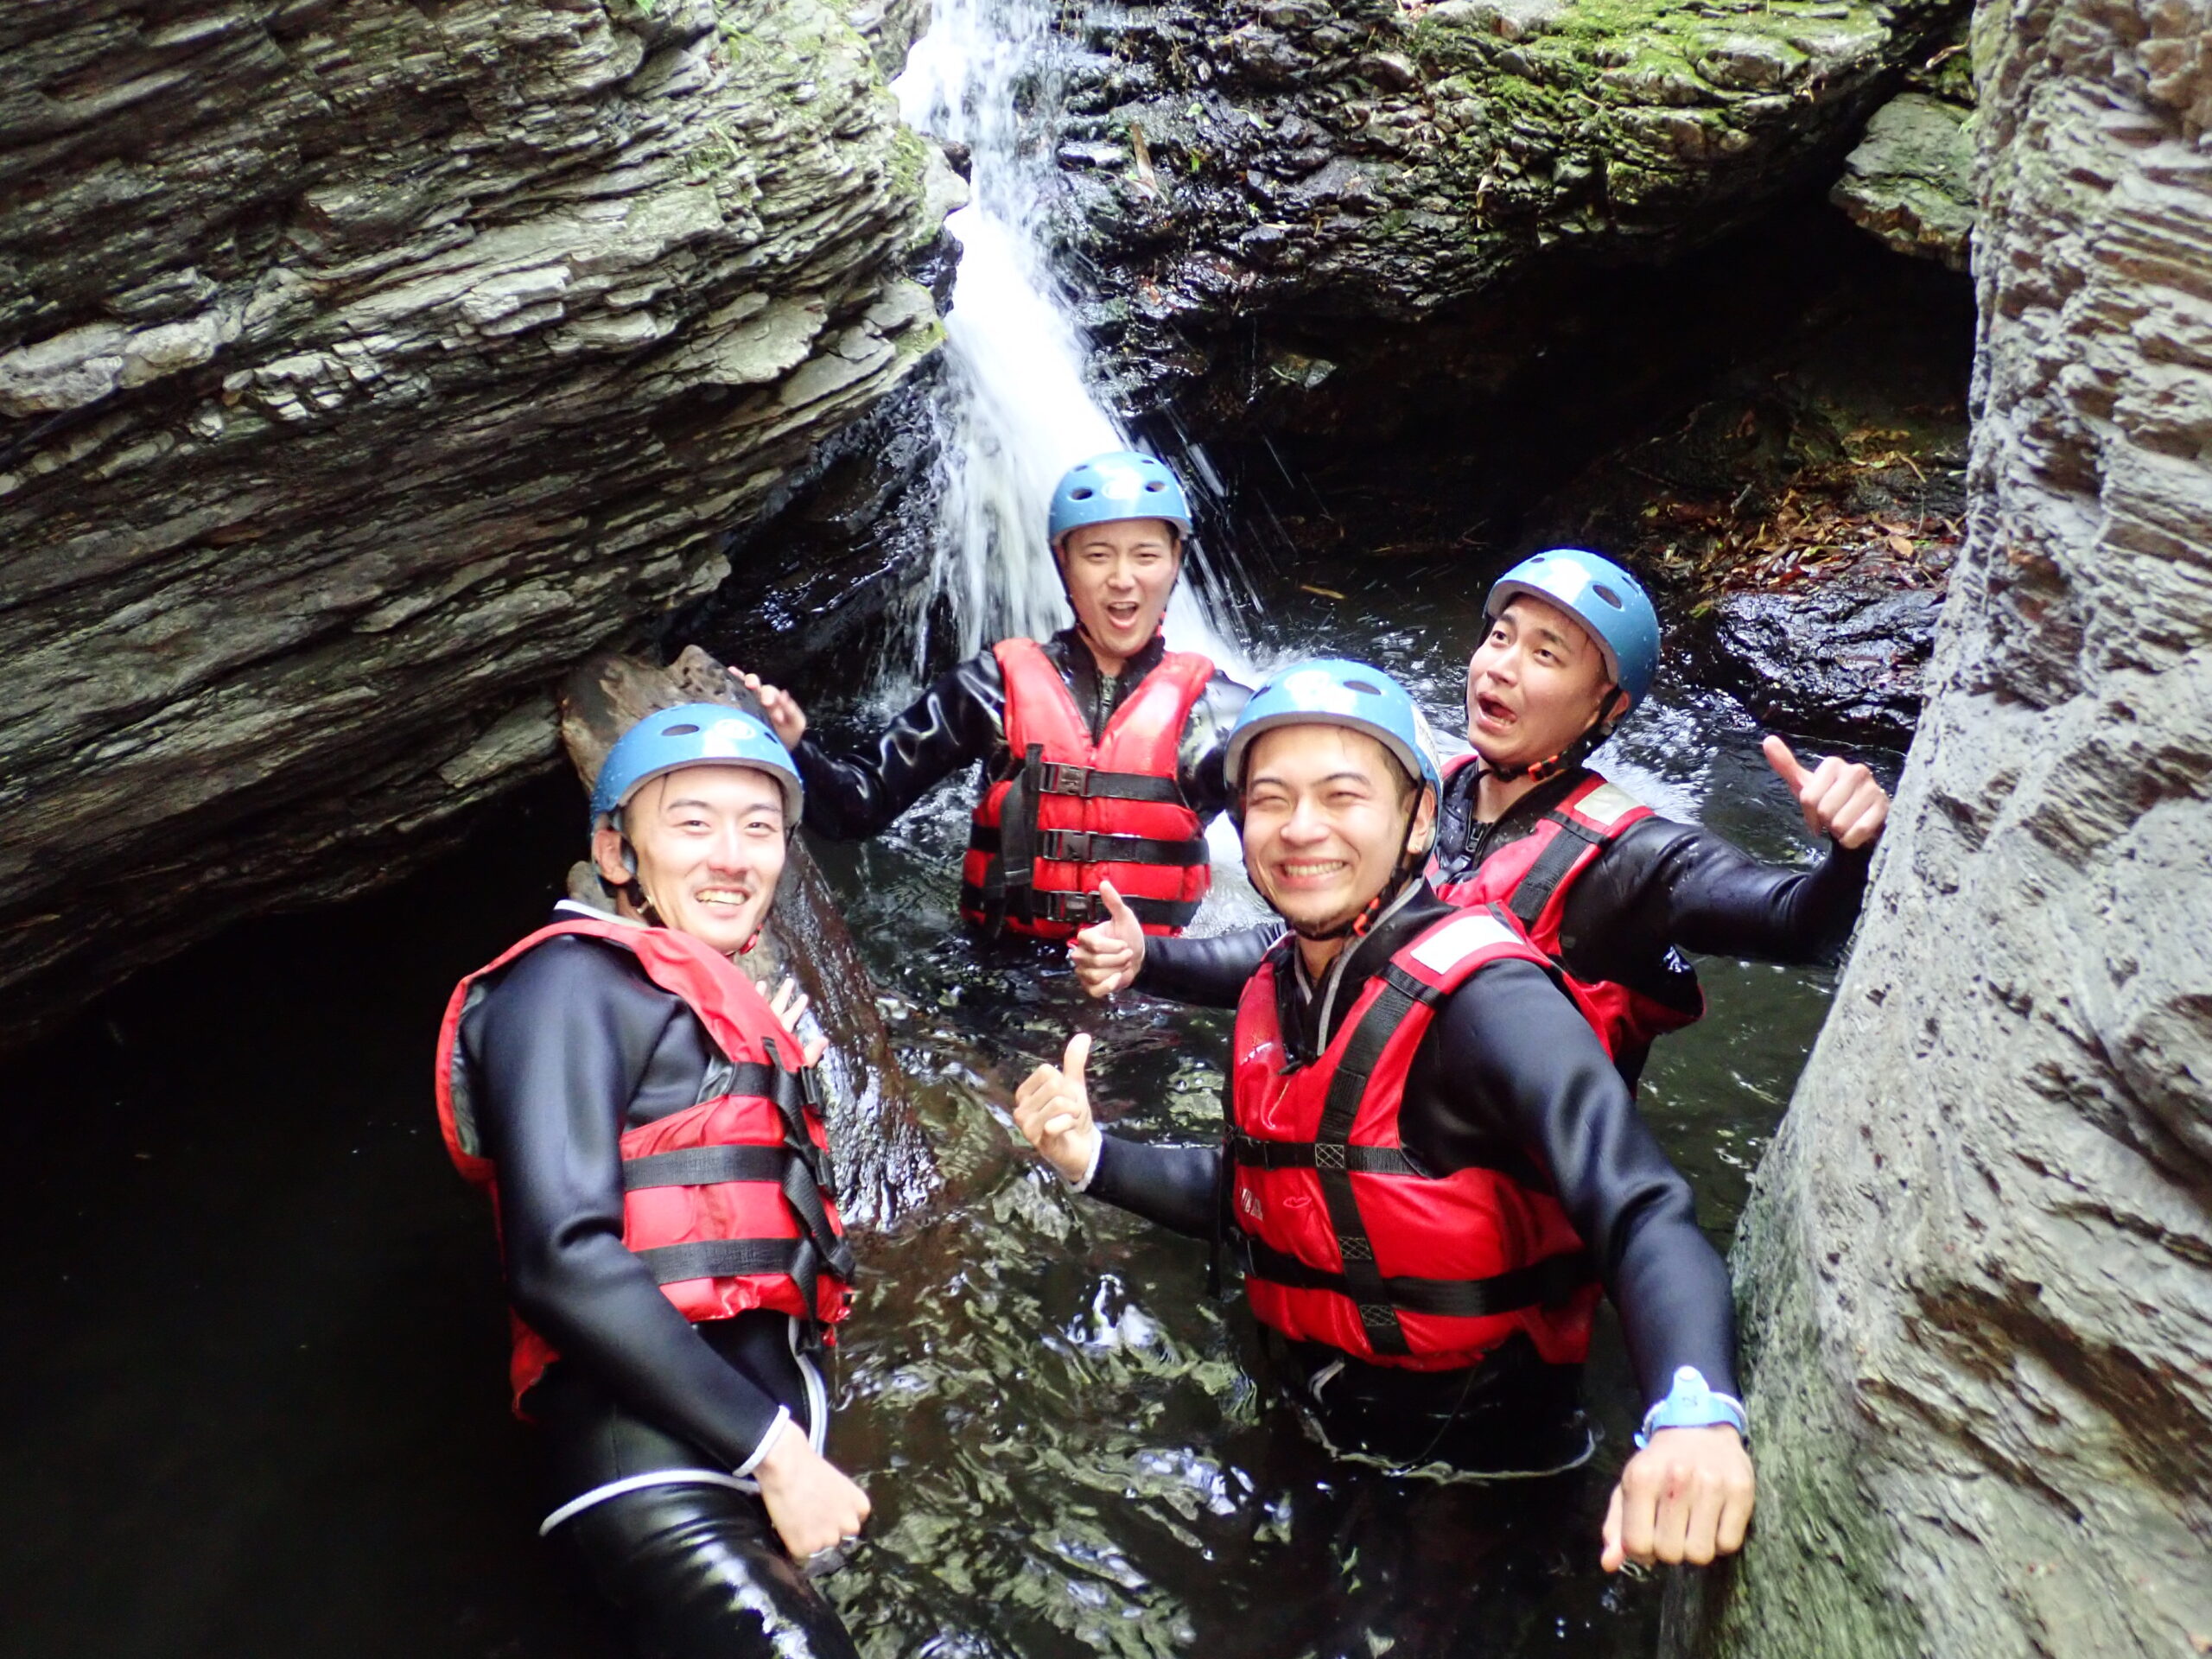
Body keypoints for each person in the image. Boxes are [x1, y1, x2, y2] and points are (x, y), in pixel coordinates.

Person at [1013, 661, 1758, 1571]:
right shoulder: (1278, 987)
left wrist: (1692, 1413)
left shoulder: (1490, 1006)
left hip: (1477, 1475)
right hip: (1308, 1420)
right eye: (1270, 799)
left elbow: (1640, 1207)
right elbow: (1268, 1199)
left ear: (1417, 821)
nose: (1301, 828)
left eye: (1342, 796)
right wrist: (1092, 1157)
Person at [1071, 547, 1891, 1087]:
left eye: (1545, 654)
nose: (1500, 668)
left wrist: (1850, 851)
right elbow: (1300, 951)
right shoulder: (1423, 796)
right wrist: (1150, 957)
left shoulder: (1636, 861)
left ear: (1606, 707)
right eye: (1501, 637)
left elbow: (1799, 926)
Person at [435, 703, 870, 1658]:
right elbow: (559, 1259)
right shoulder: (566, 984)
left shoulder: (700, 1002)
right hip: (658, 1478)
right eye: (693, 823)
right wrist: (777, 1454)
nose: (732, 857)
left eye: (759, 828)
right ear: (615, 851)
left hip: (739, 1467)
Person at [734, 451, 1250, 940]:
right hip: (1006, 974)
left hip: (1153, 978)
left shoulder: (1221, 716)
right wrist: (793, 746)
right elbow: (858, 806)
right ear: (1064, 563)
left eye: (1145, 556)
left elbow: (1282, 858)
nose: (1122, 579)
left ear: (1175, 560)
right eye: (1098, 556)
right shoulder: (990, 688)